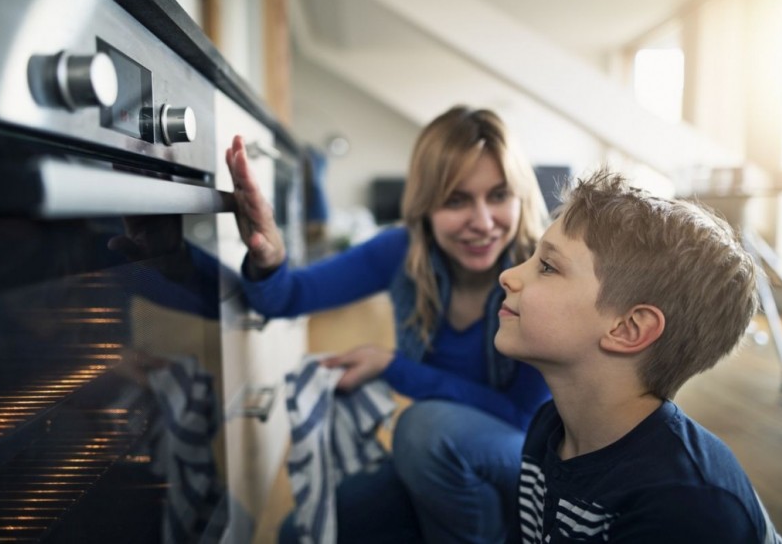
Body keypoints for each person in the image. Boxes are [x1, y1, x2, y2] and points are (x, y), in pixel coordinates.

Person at [224, 105, 552, 543]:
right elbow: (289, 296)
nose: (483, 221)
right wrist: (267, 252)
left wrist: (393, 367)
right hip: (443, 458)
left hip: (528, 463)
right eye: (457, 199)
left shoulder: (541, 275)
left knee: (422, 429)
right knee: (296, 535)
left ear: (520, 197)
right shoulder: (401, 251)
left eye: (498, 195)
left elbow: (524, 419)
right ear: (426, 205)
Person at [497, 169, 782, 543]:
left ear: (628, 328)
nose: (508, 276)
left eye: (548, 267)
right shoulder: (549, 426)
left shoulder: (686, 502)